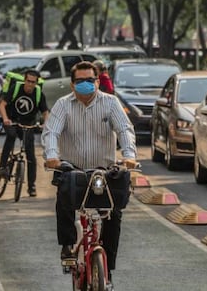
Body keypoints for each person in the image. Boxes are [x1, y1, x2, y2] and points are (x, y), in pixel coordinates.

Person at [41, 61, 136, 289]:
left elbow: (124, 130)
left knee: (114, 213)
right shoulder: (63, 105)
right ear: (72, 85)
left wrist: (129, 155)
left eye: (90, 80)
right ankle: (67, 246)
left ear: (97, 81)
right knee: (63, 200)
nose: (86, 84)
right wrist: (52, 156)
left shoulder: (111, 103)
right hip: (71, 169)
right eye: (80, 81)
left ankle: (108, 269)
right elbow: (51, 132)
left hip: (105, 170)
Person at [0, 69, 49, 197]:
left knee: (31, 155)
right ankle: (2, 167)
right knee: (11, 136)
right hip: (12, 121)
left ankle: (31, 186)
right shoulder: (16, 88)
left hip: (27, 124)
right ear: (24, 80)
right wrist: (5, 119)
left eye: (33, 82)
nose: (30, 85)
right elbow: (2, 105)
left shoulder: (38, 93)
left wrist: (45, 124)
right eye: (28, 81)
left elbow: (45, 112)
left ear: (36, 83)